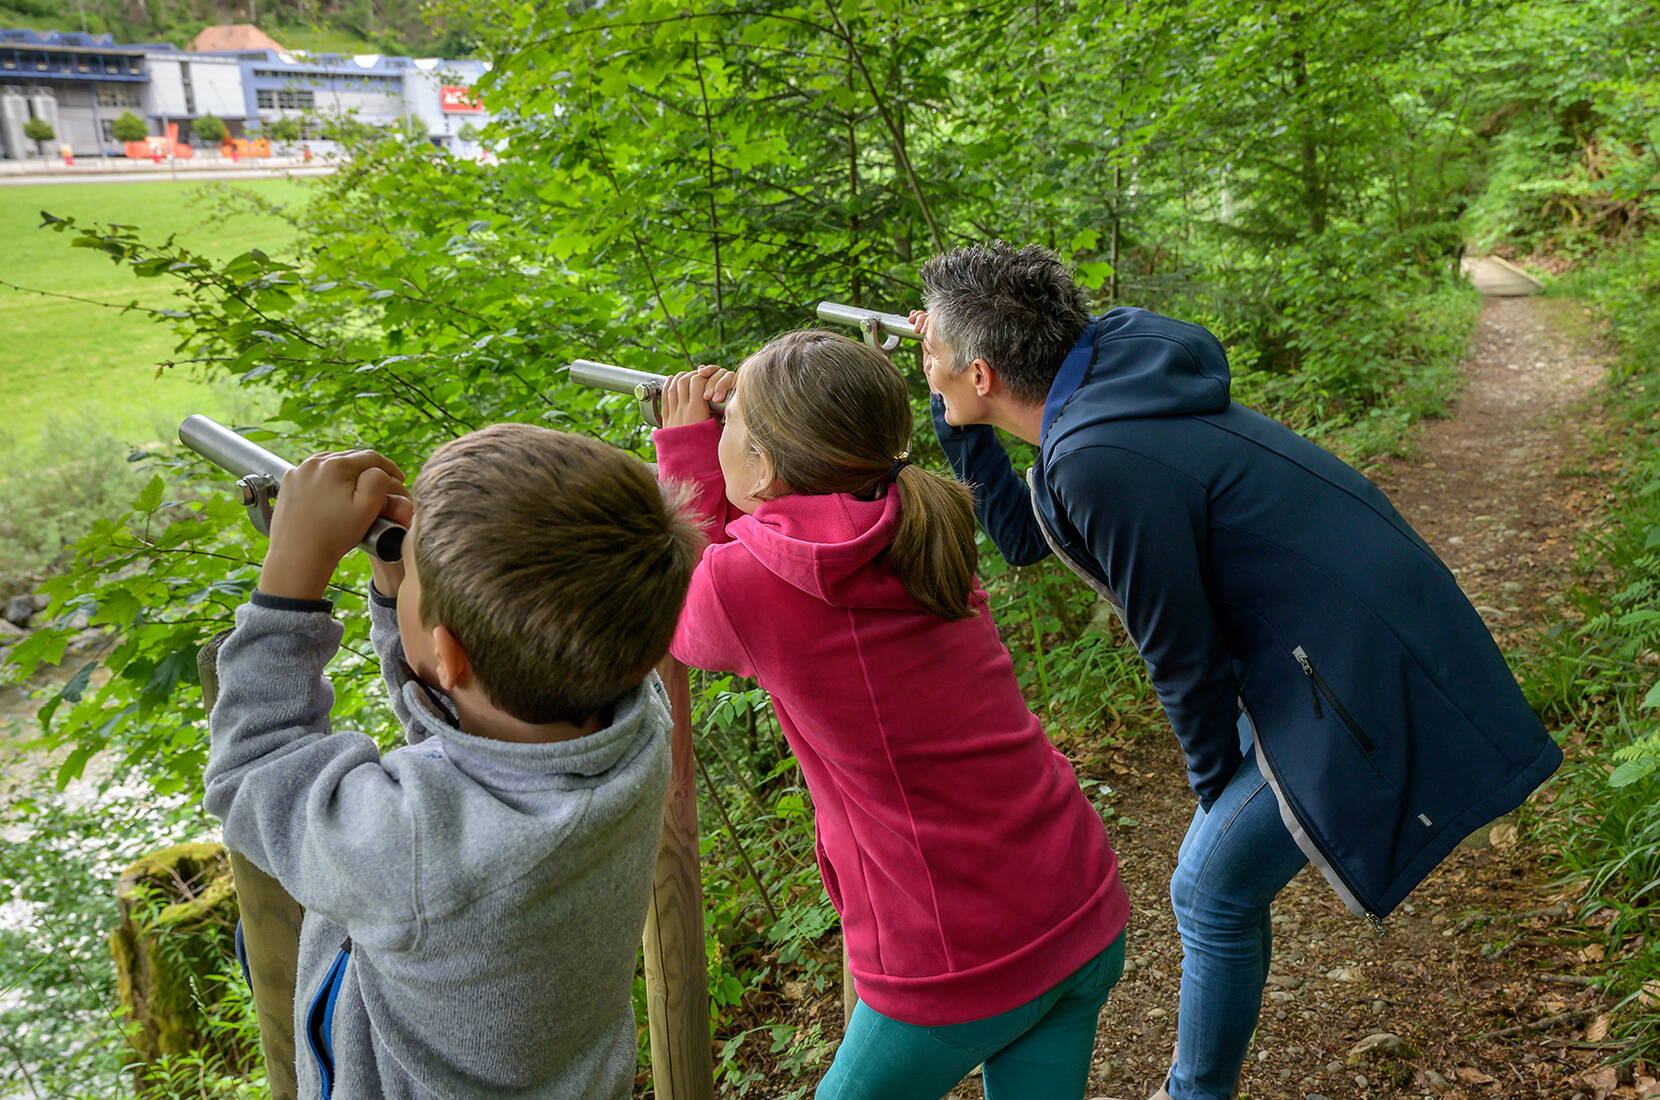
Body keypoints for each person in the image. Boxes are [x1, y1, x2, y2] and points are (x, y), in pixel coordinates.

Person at [910, 241, 1562, 1100]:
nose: (925, 360)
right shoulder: (1108, 381)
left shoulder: (1097, 454)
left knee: (1208, 886)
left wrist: (1216, 780)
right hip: (1323, 636)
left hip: (1346, 657)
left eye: (935, 355)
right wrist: (946, 406)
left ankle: (1193, 1095)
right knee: (1220, 885)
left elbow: (1178, 643)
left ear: (986, 372)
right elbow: (1030, 538)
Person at [654, 333, 1130, 1100]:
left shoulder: (752, 582)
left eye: (734, 428)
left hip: (959, 960)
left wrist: (683, 451)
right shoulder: (922, 513)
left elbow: (680, 616)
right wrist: (743, 416)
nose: (721, 439)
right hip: (1077, 901)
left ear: (767, 467)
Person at [204, 426, 702, 1098]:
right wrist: (397, 588)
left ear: (447, 654)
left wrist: (291, 579)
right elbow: (463, 716)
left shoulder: (417, 853)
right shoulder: (631, 724)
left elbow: (258, 771)